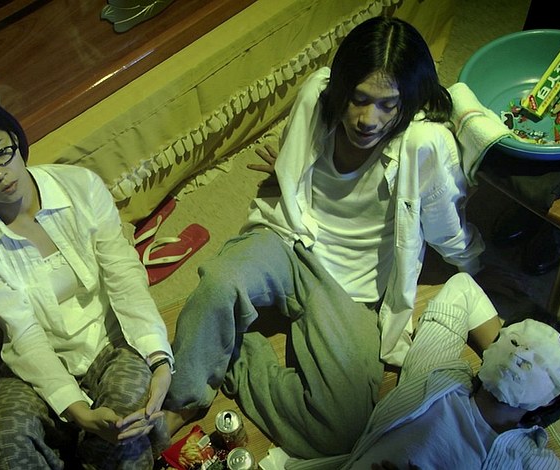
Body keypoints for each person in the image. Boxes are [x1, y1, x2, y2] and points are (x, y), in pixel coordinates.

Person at [163, 16, 493, 458]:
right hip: (289, 241)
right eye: (359, 99)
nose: (368, 119)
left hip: (352, 289)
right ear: (341, 89)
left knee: (342, 430)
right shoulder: (316, 96)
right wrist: (287, 171)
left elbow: (444, 224)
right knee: (219, 283)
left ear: (407, 102)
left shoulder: (424, 143)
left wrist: (476, 264)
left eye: (388, 105)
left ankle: (234, 354)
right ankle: (184, 398)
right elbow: (296, 162)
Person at [0, 90, 174, 469]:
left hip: (113, 340)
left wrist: (159, 358)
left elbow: (124, 277)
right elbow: (23, 332)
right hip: (38, 362)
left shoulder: (80, 187)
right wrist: (78, 410)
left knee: (125, 426)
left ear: (14, 137)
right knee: (4, 444)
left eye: (1, 153)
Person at [283, 272, 560, 469]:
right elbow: (463, 289)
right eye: (516, 342)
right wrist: (500, 361)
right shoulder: (437, 378)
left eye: (539, 362)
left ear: (551, 398)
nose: (520, 355)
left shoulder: (528, 461)